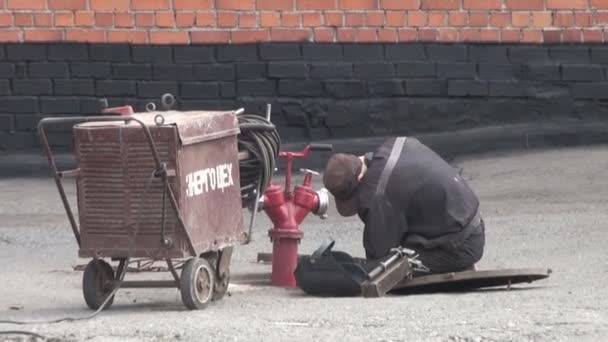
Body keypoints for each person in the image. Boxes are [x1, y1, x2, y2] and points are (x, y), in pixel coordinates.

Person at [322, 136, 485, 275]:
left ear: (359, 180)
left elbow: (379, 256)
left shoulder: (379, 191)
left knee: (382, 267)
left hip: (462, 246)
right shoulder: (395, 144)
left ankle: (459, 265)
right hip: (471, 222)